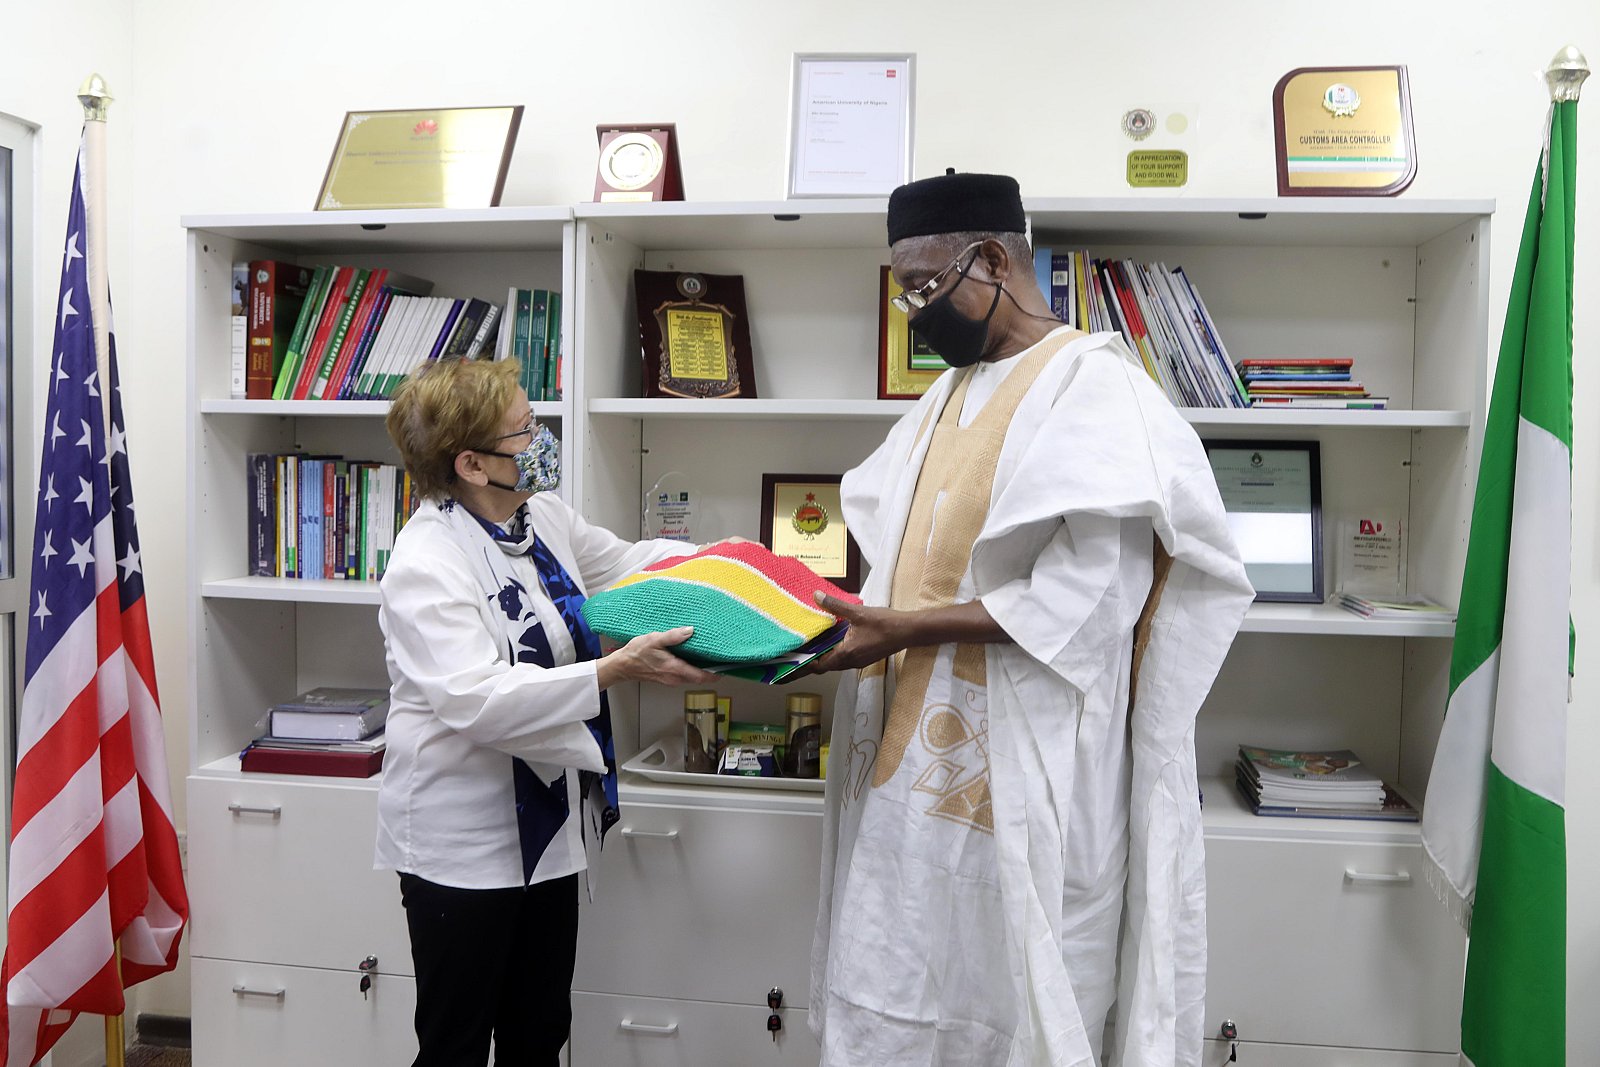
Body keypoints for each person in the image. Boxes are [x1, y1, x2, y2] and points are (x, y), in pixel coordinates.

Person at [806, 172, 1256, 1066]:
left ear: (997, 260)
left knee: (1020, 1002)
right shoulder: (945, 394)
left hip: (1033, 765)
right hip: (912, 774)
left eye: (928, 289)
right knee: (900, 989)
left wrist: (907, 628)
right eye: (904, 295)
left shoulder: (1094, 389)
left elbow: (1086, 606)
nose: (917, 314)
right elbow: (896, 550)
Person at [375, 357, 718, 1066]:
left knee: (539, 1035)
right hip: (460, 849)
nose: (540, 439)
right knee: (456, 1044)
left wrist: (734, 564)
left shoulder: (543, 517)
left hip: (550, 834)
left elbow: (631, 564)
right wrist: (612, 670)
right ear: (471, 462)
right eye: (523, 430)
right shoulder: (426, 561)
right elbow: (478, 699)